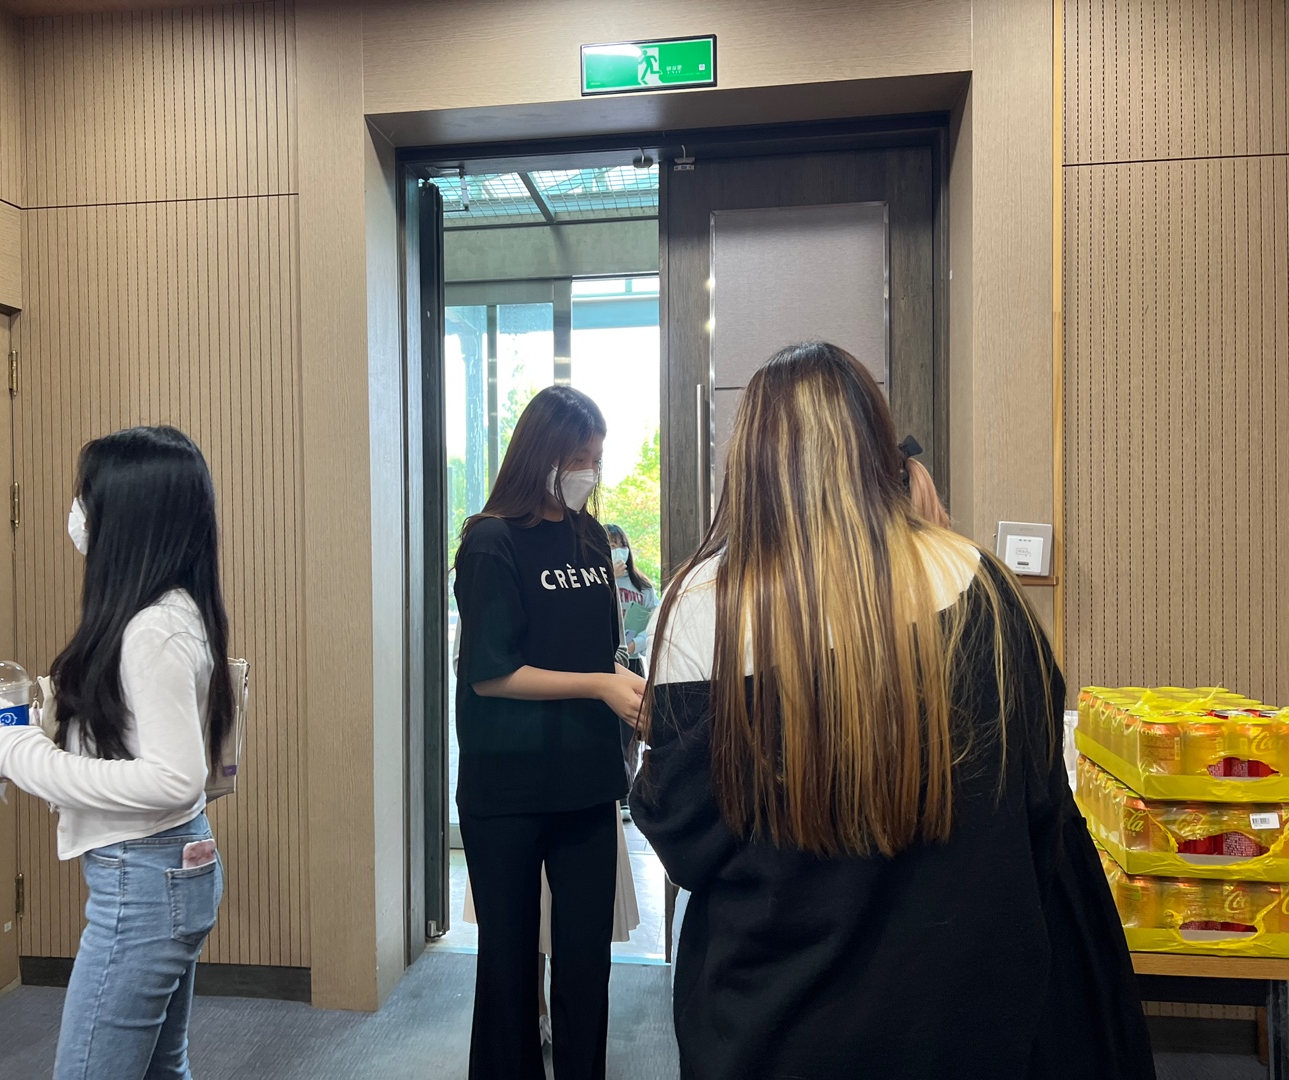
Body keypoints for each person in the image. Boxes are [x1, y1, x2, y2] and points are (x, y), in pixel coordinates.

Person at [631, 343, 1154, 1080]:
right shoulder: (981, 584)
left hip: (776, 1026)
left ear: (749, 460)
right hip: (968, 1018)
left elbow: (685, 843)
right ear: (880, 448)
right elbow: (1037, 800)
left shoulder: (700, 605)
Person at [0, 426, 233, 1080]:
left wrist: (18, 753)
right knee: (160, 1069)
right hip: (165, 870)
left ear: (128, 516)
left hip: (145, 878)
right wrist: (28, 719)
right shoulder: (166, 612)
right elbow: (124, 722)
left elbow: (174, 778)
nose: (77, 512)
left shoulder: (152, 628)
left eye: (87, 496)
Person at [453, 385, 646, 1080]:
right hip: (506, 787)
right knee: (508, 971)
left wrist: (620, 681)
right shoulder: (490, 542)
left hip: (586, 784)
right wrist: (598, 685)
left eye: (596, 458)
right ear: (541, 454)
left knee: (586, 966)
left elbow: (594, 650)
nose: (589, 472)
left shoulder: (590, 538)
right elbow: (491, 674)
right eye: (578, 458)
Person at [606, 523, 659, 678]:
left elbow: (655, 623)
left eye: (623, 545)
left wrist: (635, 644)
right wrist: (611, 578)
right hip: (605, 661)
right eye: (613, 546)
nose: (619, 551)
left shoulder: (643, 586)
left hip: (634, 661)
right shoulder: (595, 582)